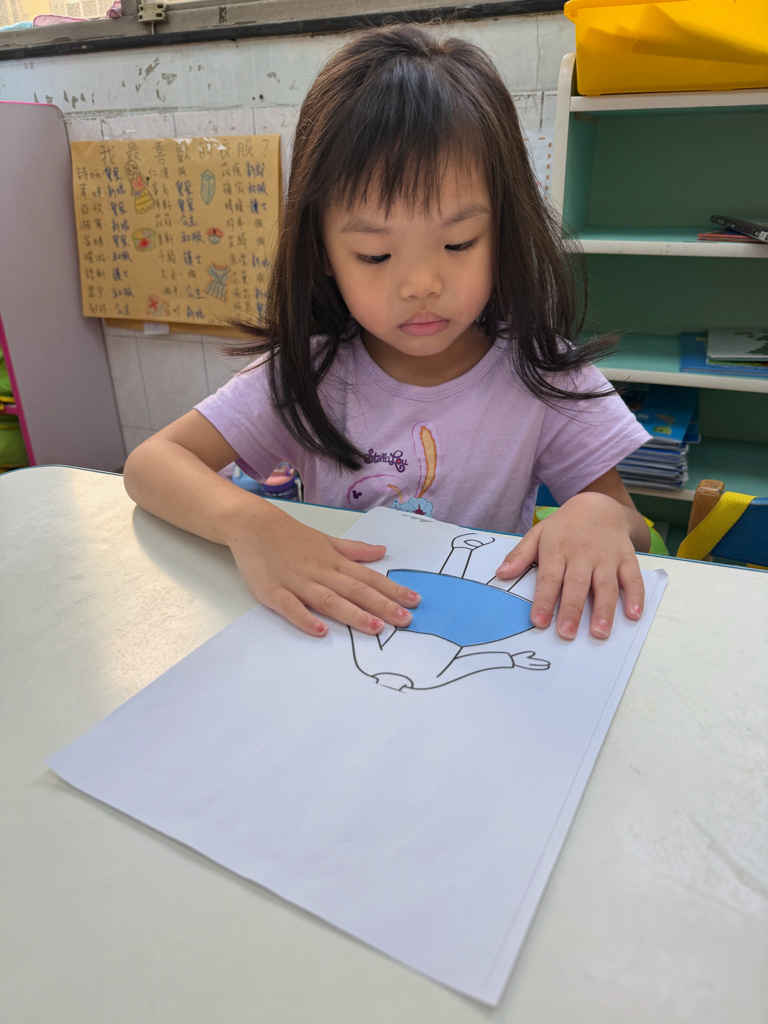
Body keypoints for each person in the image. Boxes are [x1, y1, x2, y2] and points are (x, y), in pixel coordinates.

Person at [124, 23, 651, 643]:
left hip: (477, 640)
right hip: (338, 643)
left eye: (459, 243)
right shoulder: (310, 371)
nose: (421, 285)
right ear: (322, 250)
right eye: (375, 254)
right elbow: (151, 465)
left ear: (503, 230)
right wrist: (252, 524)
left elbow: (633, 528)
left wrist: (595, 513)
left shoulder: (541, 372)